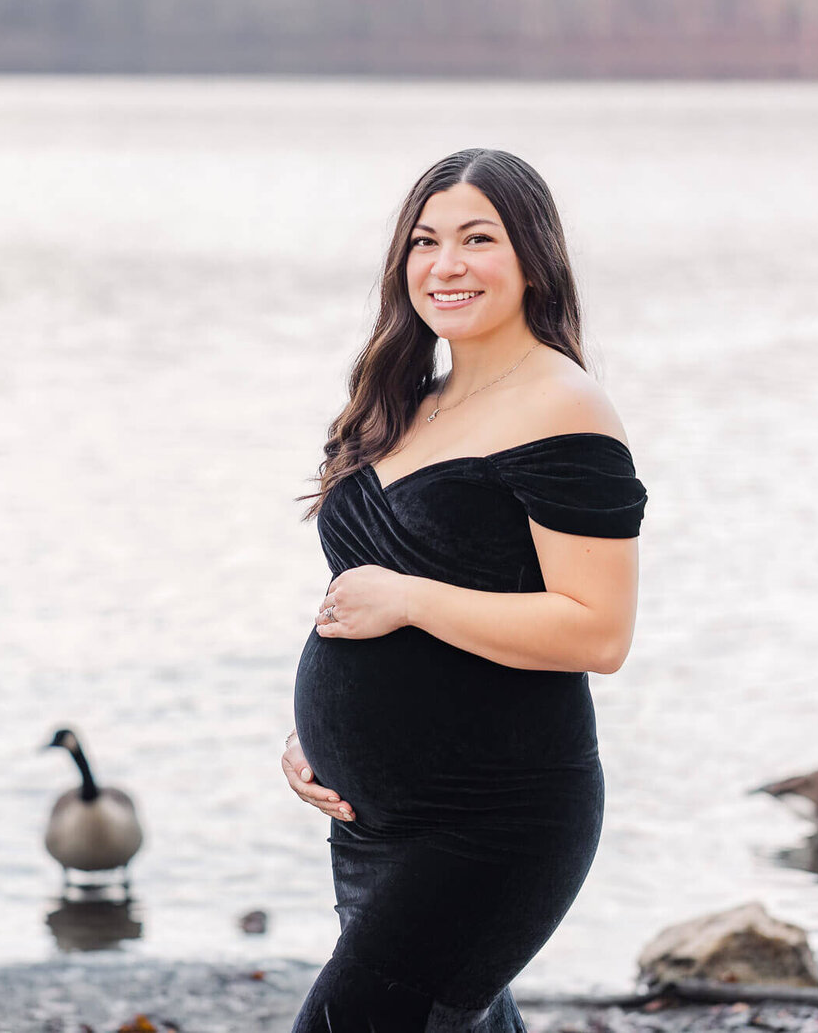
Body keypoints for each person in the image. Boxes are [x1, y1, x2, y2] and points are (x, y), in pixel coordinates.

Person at [281, 148, 646, 1032]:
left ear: (531, 259)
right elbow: (361, 591)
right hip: (373, 821)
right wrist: (317, 729)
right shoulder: (406, 402)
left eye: (477, 239)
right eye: (424, 241)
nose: (445, 265)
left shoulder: (565, 405)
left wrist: (409, 601)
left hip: (494, 820)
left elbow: (599, 632)